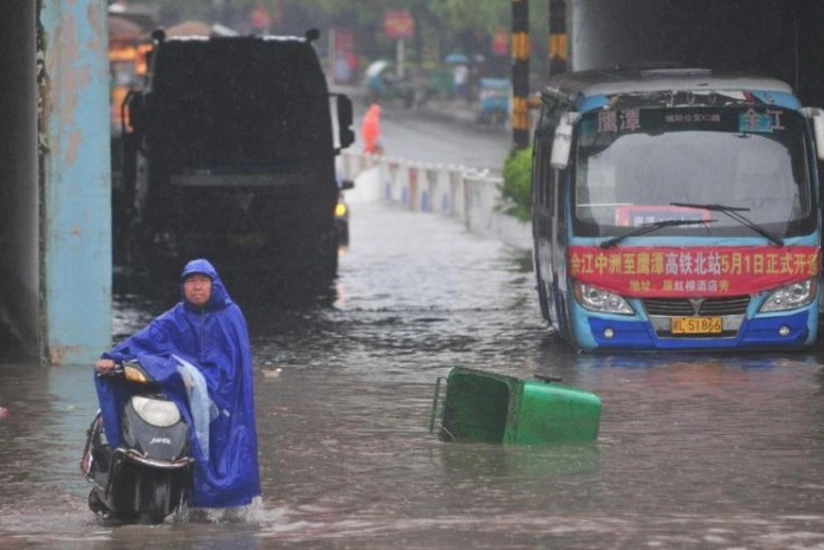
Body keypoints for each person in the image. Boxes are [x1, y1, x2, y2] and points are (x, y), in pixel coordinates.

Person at [94, 258, 261, 510]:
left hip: (223, 395)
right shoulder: (175, 318)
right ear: (183, 287)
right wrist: (112, 357)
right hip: (184, 391)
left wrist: (202, 379)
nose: (196, 287)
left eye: (202, 282)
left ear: (213, 285)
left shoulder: (230, 316)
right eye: (191, 282)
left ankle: (220, 500)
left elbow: (235, 366)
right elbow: (145, 340)